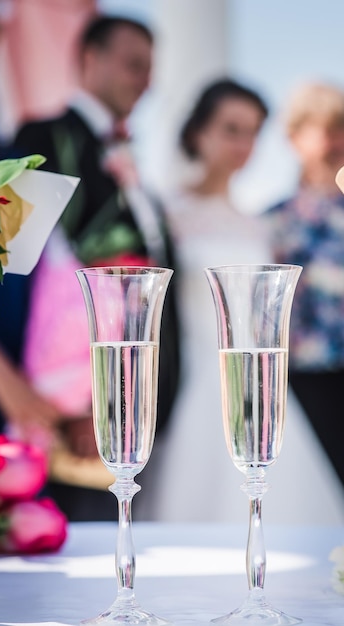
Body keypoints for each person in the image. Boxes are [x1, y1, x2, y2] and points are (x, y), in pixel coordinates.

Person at [5, 14, 180, 521]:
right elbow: (22, 276)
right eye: (133, 65)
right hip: (76, 410)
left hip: (137, 401)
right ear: (90, 59)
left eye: (149, 69)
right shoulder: (42, 138)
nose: (144, 81)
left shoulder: (129, 155)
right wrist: (80, 403)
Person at [144, 78, 272, 522]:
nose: (243, 143)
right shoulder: (166, 214)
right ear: (200, 132)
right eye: (231, 129)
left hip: (256, 379)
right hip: (189, 377)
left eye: (253, 132)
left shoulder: (257, 224)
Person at [264, 82, 344, 490]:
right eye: (326, 129)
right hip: (301, 379)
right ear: (294, 138)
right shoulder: (273, 220)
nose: (336, 141)